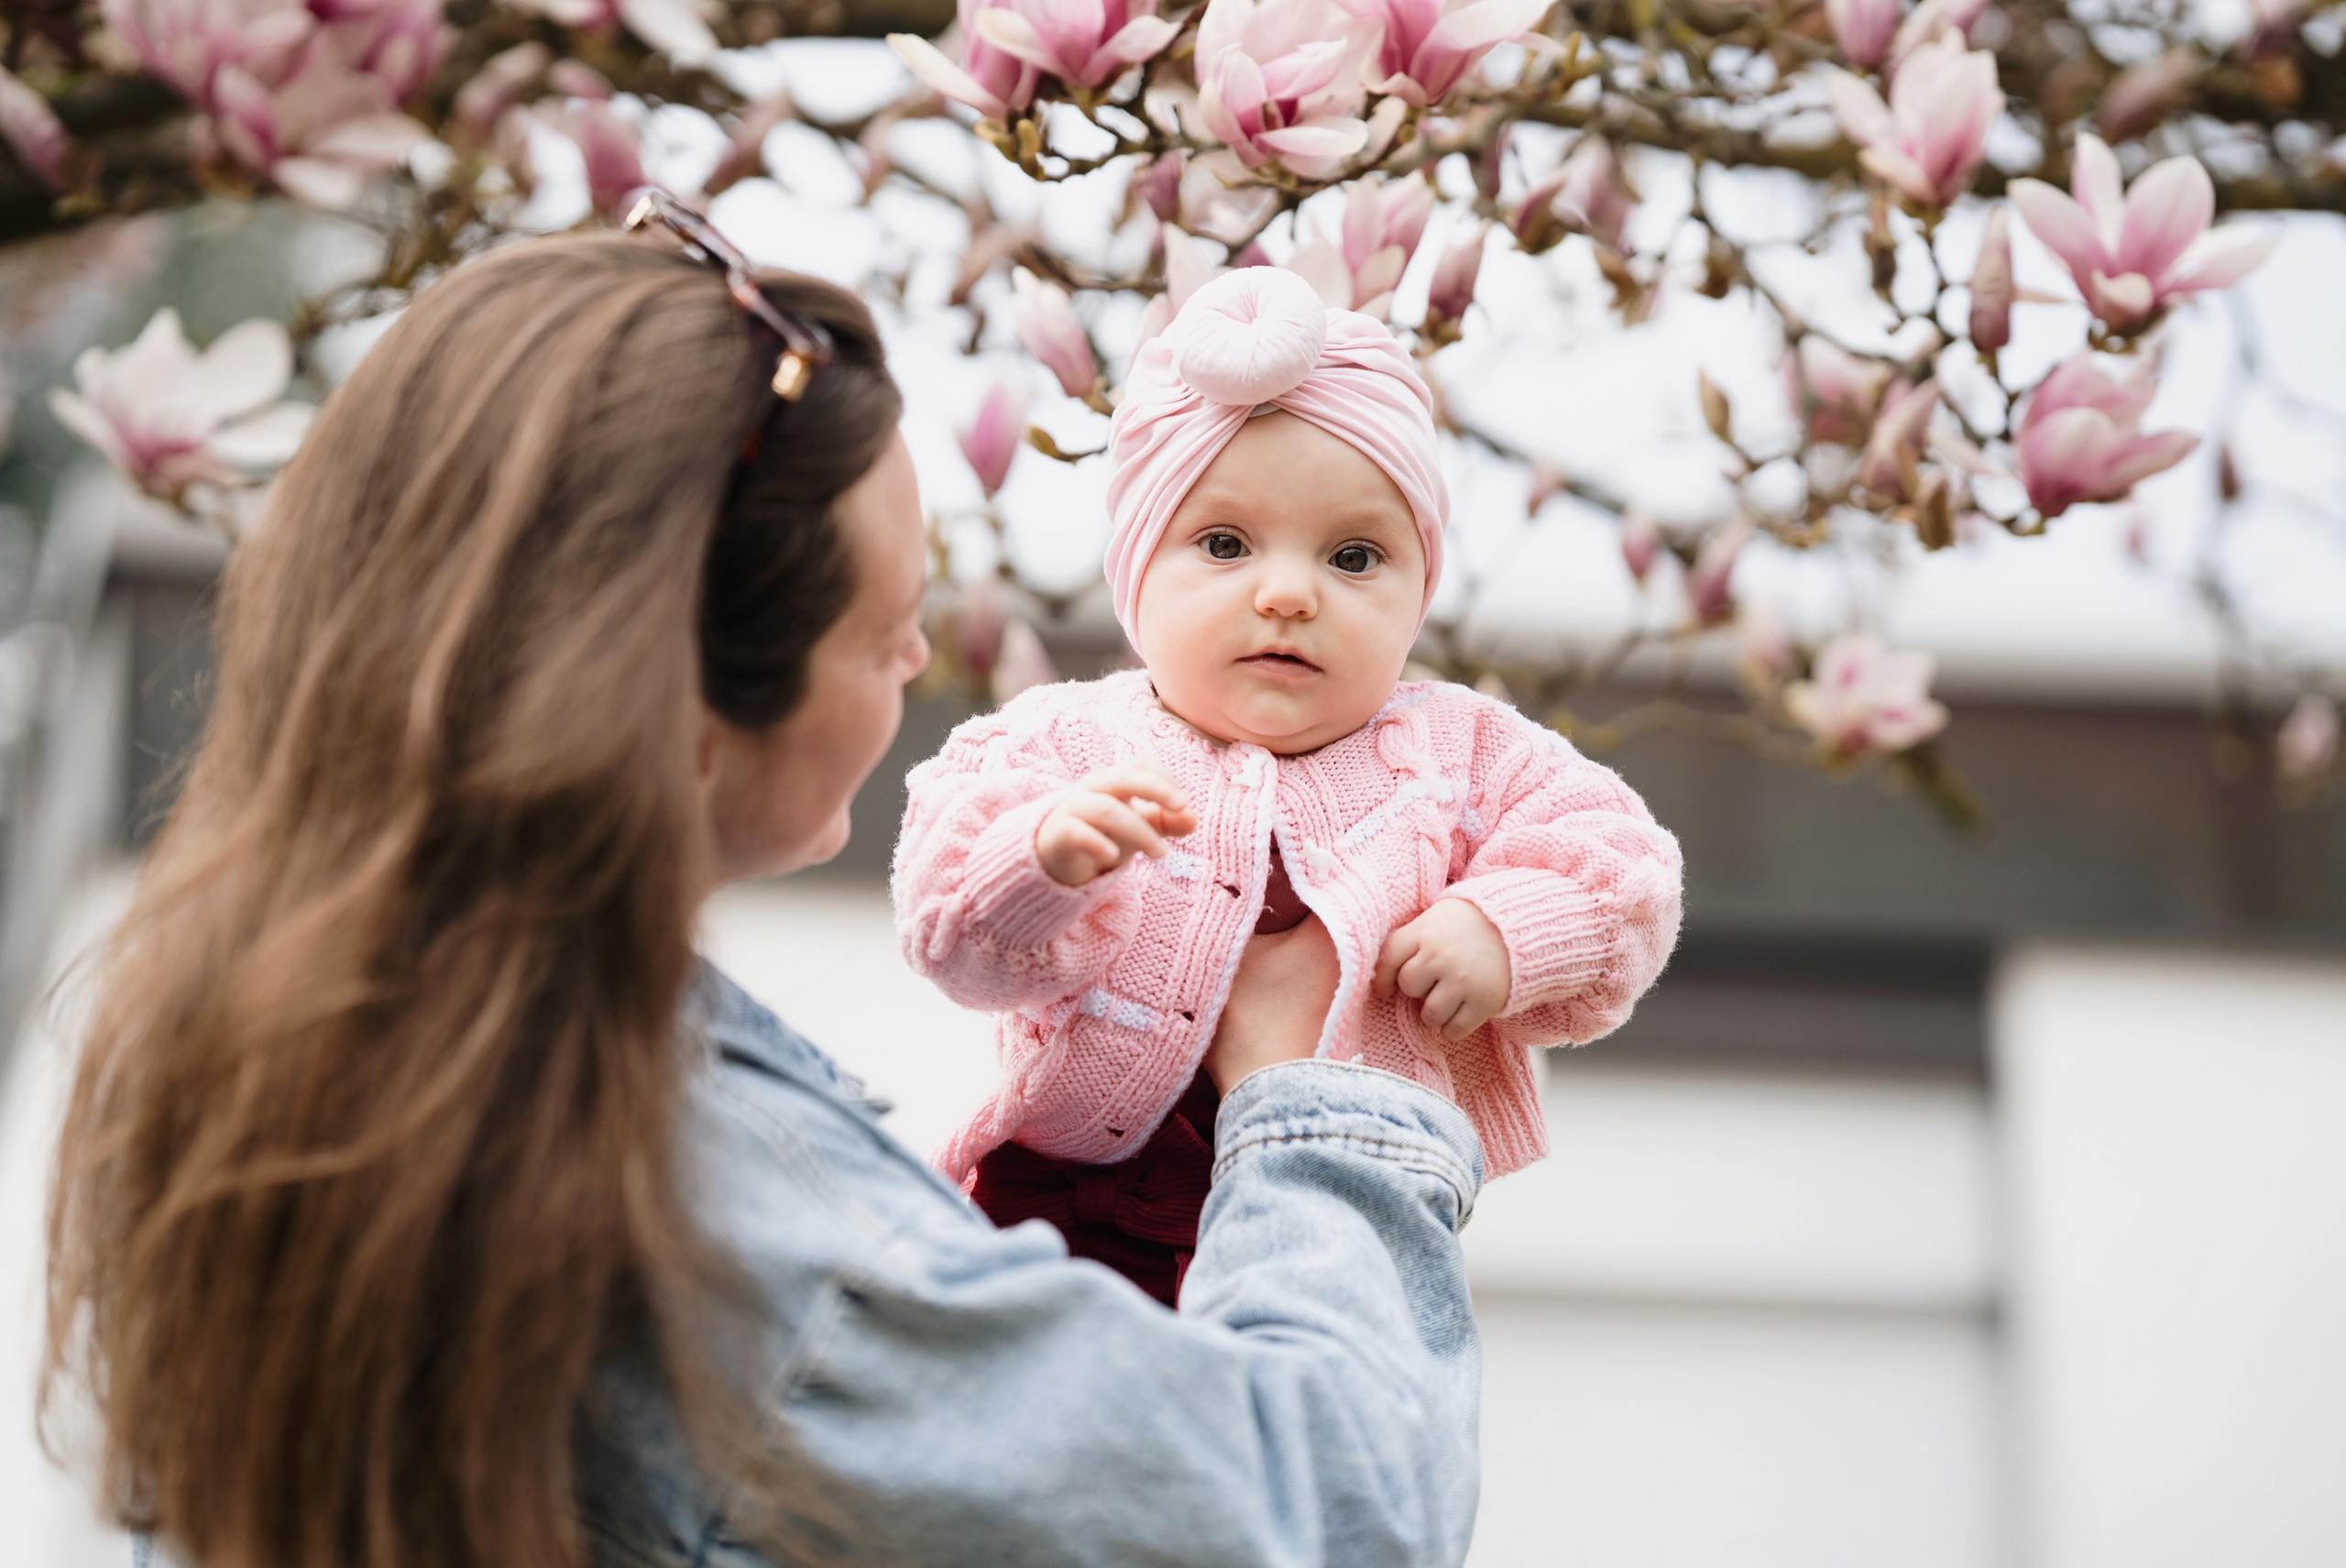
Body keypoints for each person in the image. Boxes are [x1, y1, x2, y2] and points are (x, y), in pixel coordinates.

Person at [42, 217, 1487, 1568]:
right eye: (886, 627)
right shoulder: (725, 1216)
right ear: (686, 697)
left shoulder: (326, 1057)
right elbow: (1324, 1512)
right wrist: (1309, 1097)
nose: (921, 662)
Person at [894, 267, 1683, 1302]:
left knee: (1306, 1439)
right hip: (1072, 1200)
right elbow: (947, 927)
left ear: (1418, 593)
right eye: (1223, 544)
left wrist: (1503, 927)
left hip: (1356, 1201)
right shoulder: (1065, 739)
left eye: (1354, 557)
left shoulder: (1457, 749)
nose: (1286, 593)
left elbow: (1623, 867)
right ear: (1136, 571)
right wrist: (1037, 860)